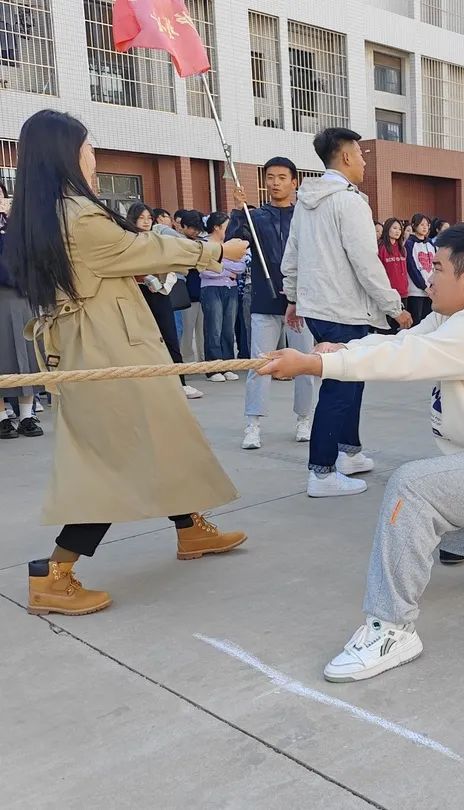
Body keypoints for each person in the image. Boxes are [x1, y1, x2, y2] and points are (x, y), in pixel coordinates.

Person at [257, 225, 464, 682]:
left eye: (437, 268)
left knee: (411, 489)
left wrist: (316, 364)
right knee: (419, 512)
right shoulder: (458, 316)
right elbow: (404, 344)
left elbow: (404, 362)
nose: (428, 276)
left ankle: (392, 628)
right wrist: (344, 349)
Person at [7, 110, 250, 616]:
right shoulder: (79, 216)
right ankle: (54, 572)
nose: (93, 156)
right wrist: (215, 250)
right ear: (65, 154)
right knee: (113, 463)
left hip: (106, 343)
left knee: (161, 437)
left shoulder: (52, 210)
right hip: (107, 350)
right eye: (87, 146)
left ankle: (189, 529)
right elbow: (146, 248)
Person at [282, 127, 413, 498]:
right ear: (345, 157)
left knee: (350, 379)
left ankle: (348, 452)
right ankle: (322, 472)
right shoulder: (349, 201)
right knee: (341, 385)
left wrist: (293, 296)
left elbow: (292, 253)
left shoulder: (306, 200)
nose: (363, 159)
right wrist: (394, 308)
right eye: (360, 153)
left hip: (319, 305)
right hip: (344, 307)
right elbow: (365, 261)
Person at [228, 158, 316, 450]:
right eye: (270, 177)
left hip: (300, 301)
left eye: (282, 177)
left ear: (294, 182)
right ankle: (253, 424)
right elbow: (232, 245)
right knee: (260, 364)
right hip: (264, 300)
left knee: (304, 364)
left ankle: (304, 419)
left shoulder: (304, 216)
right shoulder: (256, 216)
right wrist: (239, 212)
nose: (276, 182)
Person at [124, 203, 201, 398]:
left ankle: (179, 381)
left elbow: (170, 261)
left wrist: (166, 278)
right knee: (141, 341)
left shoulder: (157, 239)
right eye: (141, 218)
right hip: (137, 294)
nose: (146, 221)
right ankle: (144, 384)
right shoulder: (126, 240)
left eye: (149, 218)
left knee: (169, 336)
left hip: (161, 292)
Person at [0, 179, 45, 440]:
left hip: (23, 297)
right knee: (3, 357)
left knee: (27, 355)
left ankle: (27, 415)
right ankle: (3, 417)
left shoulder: (18, 227)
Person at [199, 212, 240, 382]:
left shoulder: (230, 244)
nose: (229, 229)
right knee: (213, 329)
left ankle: (228, 365)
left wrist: (222, 266)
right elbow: (204, 269)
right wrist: (226, 270)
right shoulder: (204, 244)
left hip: (230, 289)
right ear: (216, 226)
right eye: (226, 225)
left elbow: (241, 264)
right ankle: (213, 368)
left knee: (228, 329)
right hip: (211, 290)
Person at [176, 209, 206, 364]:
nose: (196, 231)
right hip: (187, 295)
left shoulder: (202, 242)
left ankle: (203, 360)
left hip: (203, 292)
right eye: (193, 228)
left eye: (198, 228)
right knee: (187, 332)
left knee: (202, 331)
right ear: (183, 226)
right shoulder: (178, 242)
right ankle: (187, 362)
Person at [377, 217, 409, 330]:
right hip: (389, 295)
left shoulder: (402, 249)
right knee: (387, 330)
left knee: (401, 329)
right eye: (394, 228)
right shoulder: (381, 248)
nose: (398, 231)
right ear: (387, 229)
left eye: (400, 229)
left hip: (403, 293)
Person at [404, 213, 436, 323]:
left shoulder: (430, 243)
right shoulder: (409, 244)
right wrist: (423, 287)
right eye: (422, 224)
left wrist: (432, 286)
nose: (425, 227)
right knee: (416, 322)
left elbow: (435, 266)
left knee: (428, 322)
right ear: (414, 225)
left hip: (430, 290)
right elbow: (411, 267)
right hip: (416, 291)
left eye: (427, 225)